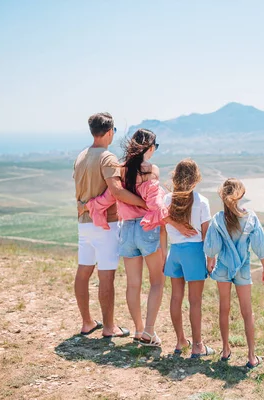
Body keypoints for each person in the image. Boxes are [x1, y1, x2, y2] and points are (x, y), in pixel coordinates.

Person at [82, 129, 184, 347]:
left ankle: (138, 330)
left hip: (126, 229)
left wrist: (90, 205)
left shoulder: (122, 170)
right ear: (150, 147)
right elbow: (155, 205)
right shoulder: (151, 170)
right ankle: (149, 331)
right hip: (147, 229)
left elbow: (110, 196)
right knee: (157, 281)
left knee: (133, 284)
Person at [73, 112, 145, 338]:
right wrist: (144, 204)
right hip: (106, 224)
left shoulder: (81, 156)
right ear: (110, 131)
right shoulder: (108, 158)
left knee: (83, 271)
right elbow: (116, 191)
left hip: (84, 222)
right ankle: (108, 327)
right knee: (106, 276)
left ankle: (87, 322)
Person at [204, 178, 264, 368]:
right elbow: (259, 245)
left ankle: (225, 350)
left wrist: (210, 261)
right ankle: (251, 356)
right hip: (242, 268)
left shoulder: (217, 219)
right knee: (247, 312)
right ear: (240, 195)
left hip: (223, 267)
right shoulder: (250, 217)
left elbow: (212, 247)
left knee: (224, 309)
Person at [163, 159, 215, 358]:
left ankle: (179, 341)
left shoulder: (167, 199)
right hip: (194, 253)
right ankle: (197, 346)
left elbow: (161, 219)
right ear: (196, 178)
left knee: (176, 298)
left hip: (174, 252)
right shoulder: (202, 201)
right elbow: (206, 235)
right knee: (195, 301)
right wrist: (210, 259)